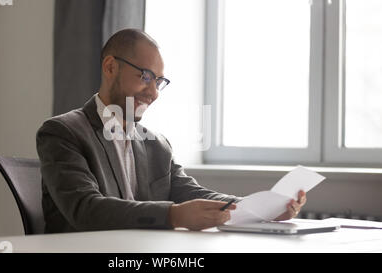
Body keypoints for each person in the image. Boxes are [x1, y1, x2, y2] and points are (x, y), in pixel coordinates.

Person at [36, 29, 306, 233]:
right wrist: (174, 216)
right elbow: (86, 210)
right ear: (110, 67)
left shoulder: (156, 145)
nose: (153, 93)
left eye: (159, 82)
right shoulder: (63, 133)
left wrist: (261, 208)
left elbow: (191, 194)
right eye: (145, 77)